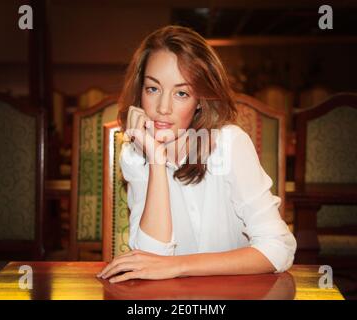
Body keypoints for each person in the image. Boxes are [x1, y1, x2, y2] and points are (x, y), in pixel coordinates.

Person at [97, 25, 296, 283]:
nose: (163, 108)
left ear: (199, 100)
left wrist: (178, 266)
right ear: (140, 92)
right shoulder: (136, 153)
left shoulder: (230, 143)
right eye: (153, 89)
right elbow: (150, 258)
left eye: (181, 93)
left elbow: (279, 248)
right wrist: (156, 161)